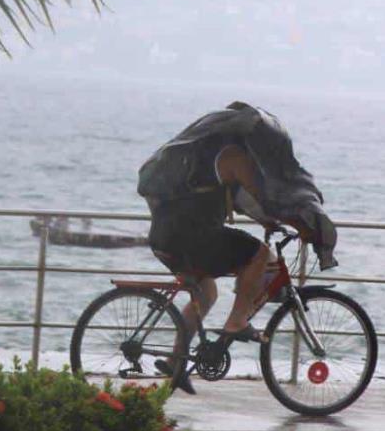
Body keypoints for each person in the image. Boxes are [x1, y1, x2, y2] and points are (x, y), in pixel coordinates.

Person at [139, 103, 335, 394]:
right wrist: (302, 226)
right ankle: (237, 321)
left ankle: (174, 362)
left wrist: (265, 223)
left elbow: (242, 200)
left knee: (206, 293)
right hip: (194, 237)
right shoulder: (233, 157)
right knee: (260, 255)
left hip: (167, 236)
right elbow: (264, 197)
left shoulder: (202, 154)